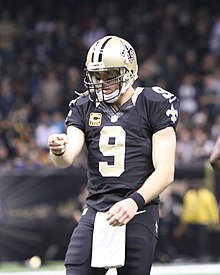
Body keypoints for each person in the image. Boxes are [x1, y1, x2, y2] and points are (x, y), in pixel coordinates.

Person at [48, 35, 180, 275]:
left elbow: (166, 170)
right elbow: (66, 158)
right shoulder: (84, 105)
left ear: (128, 71)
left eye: (108, 75)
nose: (101, 82)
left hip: (139, 209)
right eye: (96, 75)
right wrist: (58, 149)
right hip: (97, 209)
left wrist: (134, 201)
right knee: (76, 268)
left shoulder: (154, 102)